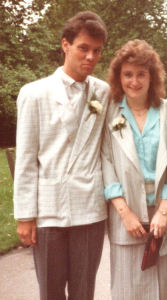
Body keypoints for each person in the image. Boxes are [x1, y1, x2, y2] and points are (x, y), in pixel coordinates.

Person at [13, 11, 109, 300]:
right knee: (51, 292)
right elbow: (26, 159)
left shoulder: (103, 92)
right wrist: (25, 216)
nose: (90, 57)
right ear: (65, 45)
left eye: (97, 51)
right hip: (49, 212)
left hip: (90, 210)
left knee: (84, 292)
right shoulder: (35, 93)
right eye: (83, 48)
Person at [102, 39, 167, 300]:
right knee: (130, 291)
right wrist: (124, 213)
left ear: (152, 76)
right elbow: (106, 163)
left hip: (163, 217)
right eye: (127, 74)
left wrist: (164, 209)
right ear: (118, 77)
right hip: (127, 219)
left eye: (141, 74)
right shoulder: (110, 113)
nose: (134, 81)